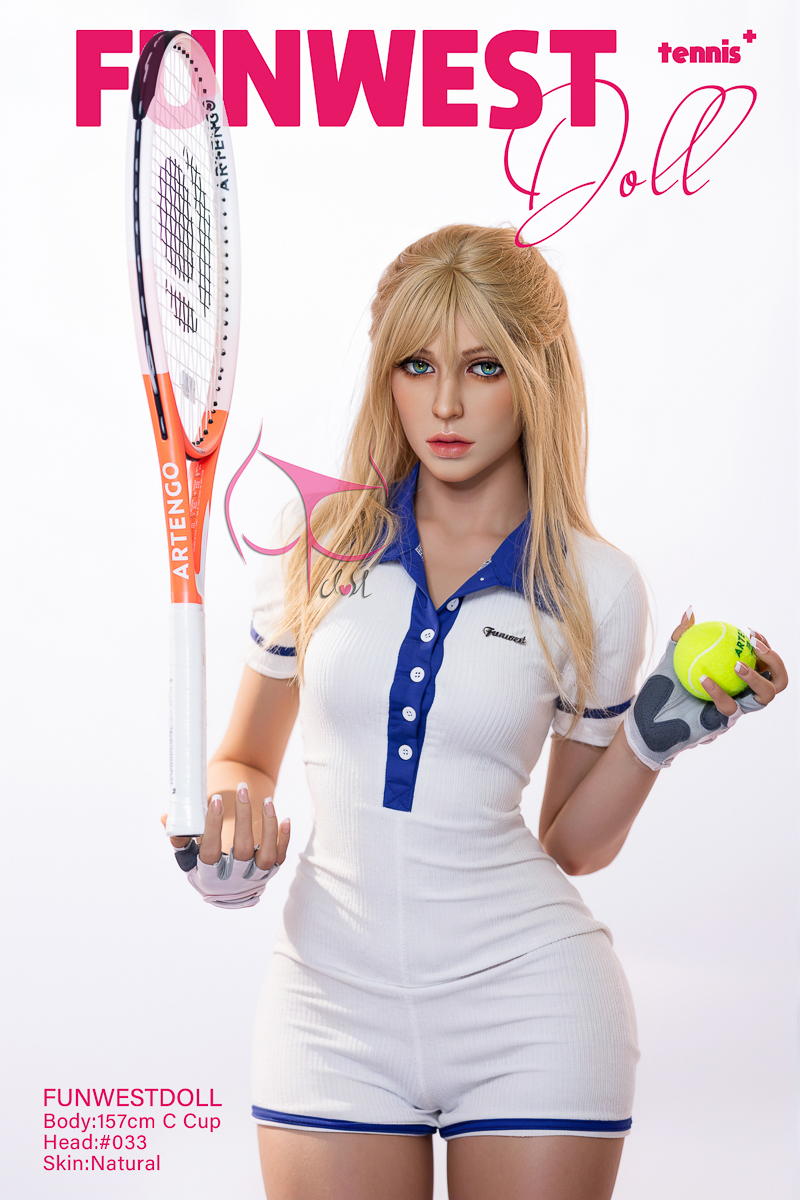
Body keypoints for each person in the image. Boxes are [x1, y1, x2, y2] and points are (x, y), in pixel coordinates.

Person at [168, 225, 787, 1200]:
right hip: (327, 1006)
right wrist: (223, 839)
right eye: (416, 365)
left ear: (536, 375)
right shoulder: (317, 538)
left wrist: (655, 732)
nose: (445, 404)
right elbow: (242, 760)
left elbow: (570, 843)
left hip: (531, 1005)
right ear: (386, 373)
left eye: (482, 367)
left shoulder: (594, 585)